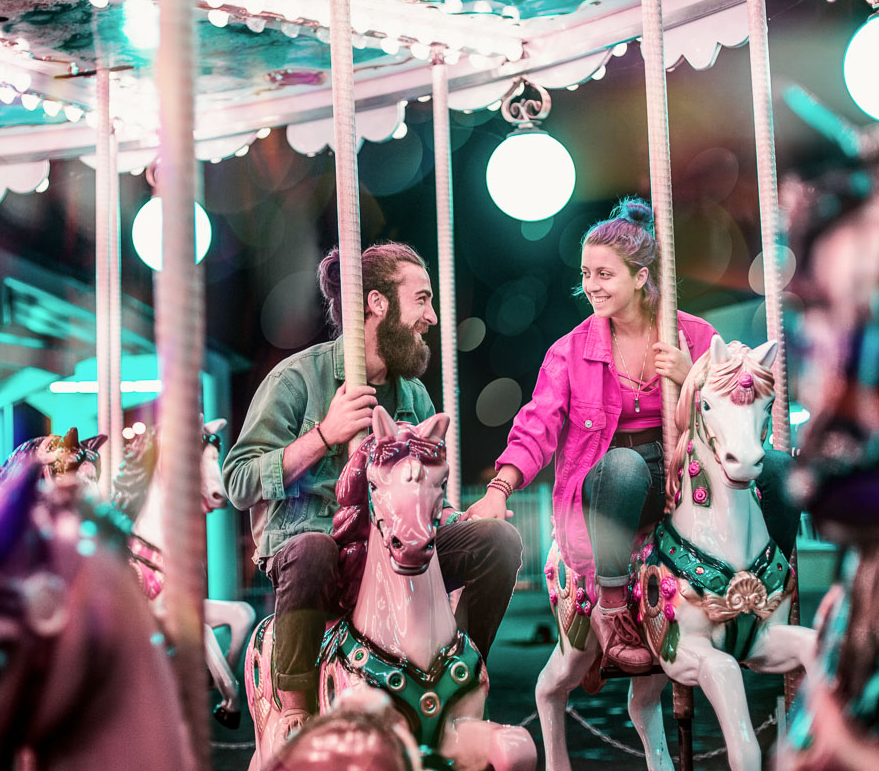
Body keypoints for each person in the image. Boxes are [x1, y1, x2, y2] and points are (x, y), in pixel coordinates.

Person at [465, 198, 797, 672]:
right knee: (625, 467)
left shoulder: (696, 336)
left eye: (604, 274)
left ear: (640, 277)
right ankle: (613, 605)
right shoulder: (571, 351)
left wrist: (690, 376)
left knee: (782, 467)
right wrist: (500, 488)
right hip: (614, 487)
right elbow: (536, 424)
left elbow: (738, 398)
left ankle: (769, 585)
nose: (590, 286)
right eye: (586, 274)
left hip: (687, 472)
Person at [223, 242, 523, 745]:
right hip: (316, 545)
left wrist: (451, 516)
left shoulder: (413, 395)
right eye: (422, 300)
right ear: (378, 303)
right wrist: (324, 435)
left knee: (499, 541)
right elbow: (238, 481)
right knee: (313, 550)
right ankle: (294, 710)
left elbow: (426, 494)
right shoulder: (298, 378)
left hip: (393, 548)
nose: (430, 316)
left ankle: (461, 676)